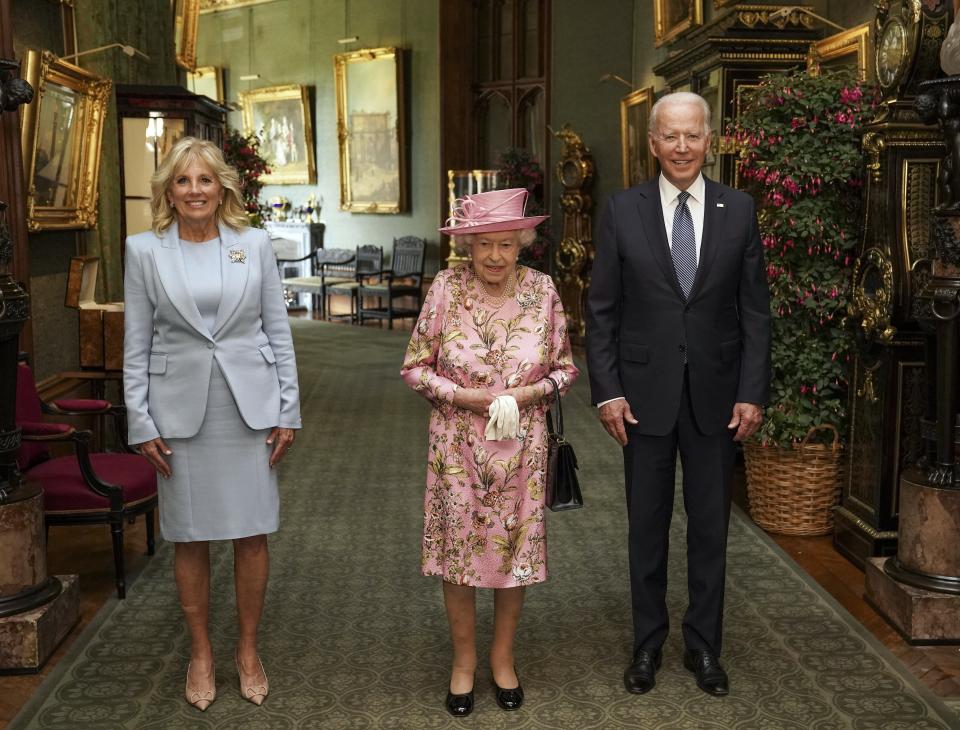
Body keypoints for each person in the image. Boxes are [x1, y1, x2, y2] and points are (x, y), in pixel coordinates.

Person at [586, 92, 771, 697]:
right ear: (652, 142)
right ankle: (646, 646)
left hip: (719, 399)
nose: (683, 148)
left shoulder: (739, 209)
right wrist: (608, 392)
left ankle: (704, 648)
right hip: (643, 398)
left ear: (709, 139)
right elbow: (603, 310)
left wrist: (752, 392)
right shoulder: (621, 210)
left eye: (693, 136)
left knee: (711, 530)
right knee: (647, 527)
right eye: (671, 137)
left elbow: (754, 313)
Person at [123, 136, 301, 711]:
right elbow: (137, 344)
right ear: (168, 192)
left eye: (205, 180)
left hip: (249, 408)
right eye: (182, 181)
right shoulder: (144, 251)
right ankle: (201, 651)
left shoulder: (253, 245)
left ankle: (248, 650)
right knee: (190, 535)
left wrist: (287, 409)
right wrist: (140, 420)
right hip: (178, 414)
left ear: (222, 185)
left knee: (252, 532)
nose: (195, 190)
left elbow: (278, 330)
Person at [401, 188, 579, 717]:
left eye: (506, 244)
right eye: (485, 245)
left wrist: (524, 396)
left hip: (522, 446)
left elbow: (565, 370)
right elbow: (414, 366)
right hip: (457, 445)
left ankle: (502, 659)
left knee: (512, 554)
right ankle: (463, 662)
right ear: (468, 247)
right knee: (460, 558)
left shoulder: (543, 291)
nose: (496, 256)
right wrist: (463, 396)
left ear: (523, 243)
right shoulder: (445, 288)